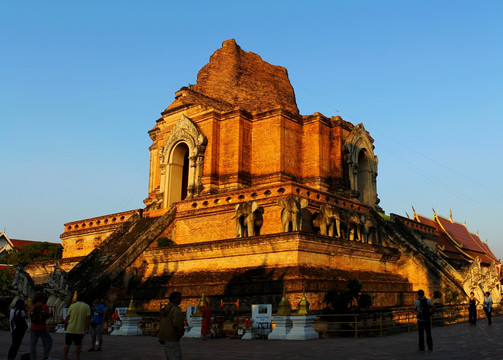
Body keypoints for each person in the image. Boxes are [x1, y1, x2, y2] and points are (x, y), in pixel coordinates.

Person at [158, 291, 185, 360]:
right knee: (175, 357)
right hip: (172, 337)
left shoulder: (166, 309)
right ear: (173, 299)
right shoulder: (175, 309)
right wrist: (181, 332)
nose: (180, 300)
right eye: (178, 298)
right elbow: (178, 324)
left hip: (165, 337)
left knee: (168, 356)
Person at [64, 293, 91, 360]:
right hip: (80, 329)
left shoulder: (72, 306)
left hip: (70, 328)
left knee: (67, 344)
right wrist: (87, 327)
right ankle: (77, 357)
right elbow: (87, 319)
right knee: (78, 345)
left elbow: (67, 317)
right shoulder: (87, 306)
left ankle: (65, 357)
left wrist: (65, 325)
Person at [30, 293, 53, 360]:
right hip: (42, 327)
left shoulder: (33, 306)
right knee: (48, 341)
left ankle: (33, 357)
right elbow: (47, 316)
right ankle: (45, 356)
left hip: (33, 327)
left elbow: (31, 316)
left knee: (33, 344)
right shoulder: (44, 306)